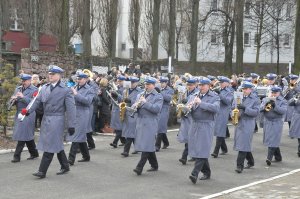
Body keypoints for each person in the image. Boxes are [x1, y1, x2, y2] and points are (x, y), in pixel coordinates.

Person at [22, 65, 76, 179]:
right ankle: (65, 166)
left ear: (59, 75)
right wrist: (28, 111)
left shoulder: (66, 90)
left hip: (57, 120)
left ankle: (42, 171)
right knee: (56, 144)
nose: (50, 76)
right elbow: (36, 101)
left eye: (53, 74)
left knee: (50, 145)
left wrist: (71, 125)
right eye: (49, 74)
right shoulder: (44, 87)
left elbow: (71, 109)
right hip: (46, 119)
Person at [188, 77, 220, 184]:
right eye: (199, 85)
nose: (200, 87)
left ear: (208, 86)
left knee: (202, 148)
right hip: (195, 124)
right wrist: (186, 109)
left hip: (206, 124)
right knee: (198, 149)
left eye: (203, 85)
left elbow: (216, 109)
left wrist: (201, 103)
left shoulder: (214, 96)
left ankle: (194, 173)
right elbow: (189, 110)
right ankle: (207, 171)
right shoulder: (193, 95)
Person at [133, 76, 163, 175]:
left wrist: (145, 103)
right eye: (145, 84)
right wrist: (134, 106)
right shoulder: (140, 94)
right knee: (148, 144)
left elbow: (156, 109)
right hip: (141, 122)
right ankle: (154, 165)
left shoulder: (158, 96)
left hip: (150, 122)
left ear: (153, 85)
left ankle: (139, 167)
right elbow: (134, 106)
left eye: (148, 84)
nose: (146, 86)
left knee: (146, 144)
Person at [67, 72, 94, 165]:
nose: (78, 81)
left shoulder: (90, 89)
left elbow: (87, 101)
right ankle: (86, 156)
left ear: (86, 79)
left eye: (80, 79)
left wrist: (76, 94)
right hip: (75, 113)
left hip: (83, 114)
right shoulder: (75, 87)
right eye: (78, 79)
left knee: (76, 135)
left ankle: (70, 159)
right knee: (81, 137)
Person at [11, 74, 39, 163]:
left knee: (22, 133)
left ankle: (17, 156)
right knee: (27, 134)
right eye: (22, 81)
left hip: (28, 113)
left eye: (24, 81)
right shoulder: (18, 88)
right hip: (19, 112)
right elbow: (11, 100)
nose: (23, 82)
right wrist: (13, 100)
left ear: (29, 80)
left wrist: (23, 97)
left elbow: (34, 103)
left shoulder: (35, 89)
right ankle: (34, 153)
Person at [233, 81, 260, 173]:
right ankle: (251, 161)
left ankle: (239, 165)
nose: (243, 90)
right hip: (239, 121)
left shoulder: (255, 99)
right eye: (243, 89)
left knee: (243, 144)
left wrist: (245, 108)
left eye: (245, 89)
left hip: (248, 123)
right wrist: (233, 115)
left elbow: (256, 113)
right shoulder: (238, 96)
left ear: (250, 89)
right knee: (243, 143)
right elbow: (232, 107)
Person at [260, 86, 287, 166]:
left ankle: (269, 158)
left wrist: (275, 106)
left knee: (273, 140)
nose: (273, 94)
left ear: (279, 93)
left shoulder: (283, 101)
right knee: (272, 140)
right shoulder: (266, 99)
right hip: (268, 122)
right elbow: (260, 108)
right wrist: (265, 106)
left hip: (276, 122)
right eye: (272, 92)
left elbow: (283, 111)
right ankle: (278, 157)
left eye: (275, 93)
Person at [177, 77, 198, 165]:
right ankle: (194, 155)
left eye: (191, 85)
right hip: (185, 117)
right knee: (187, 138)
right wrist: (179, 109)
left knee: (191, 137)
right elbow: (178, 103)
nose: (189, 87)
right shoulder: (184, 92)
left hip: (192, 118)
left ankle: (184, 156)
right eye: (188, 85)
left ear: (195, 85)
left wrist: (187, 102)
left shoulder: (197, 93)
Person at [211, 76, 233, 158]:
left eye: (222, 82)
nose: (220, 84)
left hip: (223, 112)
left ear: (227, 83)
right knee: (219, 130)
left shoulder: (229, 91)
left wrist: (219, 94)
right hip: (217, 111)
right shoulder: (218, 89)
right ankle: (224, 148)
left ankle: (215, 151)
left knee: (220, 130)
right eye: (220, 82)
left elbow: (228, 101)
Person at [121, 76, 142, 157]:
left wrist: (131, 101)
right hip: (126, 112)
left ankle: (126, 151)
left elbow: (139, 102)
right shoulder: (125, 90)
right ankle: (137, 147)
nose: (132, 84)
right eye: (131, 82)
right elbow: (122, 101)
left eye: (133, 82)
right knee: (131, 132)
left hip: (134, 113)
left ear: (136, 83)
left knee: (130, 132)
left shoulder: (140, 91)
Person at [155, 76, 174, 152]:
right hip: (158, 108)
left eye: (163, 83)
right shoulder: (158, 88)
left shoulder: (170, 90)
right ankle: (166, 142)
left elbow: (168, 98)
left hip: (164, 109)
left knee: (160, 126)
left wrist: (160, 92)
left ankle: (157, 145)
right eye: (161, 82)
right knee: (161, 127)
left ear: (166, 83)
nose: (161, 84)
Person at [110, 75, 126, 148]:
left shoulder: (125, 89)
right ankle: (124, 141)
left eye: (120, 81)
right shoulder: (117, 88)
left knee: (119, 127)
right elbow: (112, 100)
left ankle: (115, 142)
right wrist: (112, 95)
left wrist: (117, 95)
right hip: (115, 108)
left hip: (121, 109)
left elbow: (124, 100)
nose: (118, 82)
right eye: (118, 81)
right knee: (117, 127)